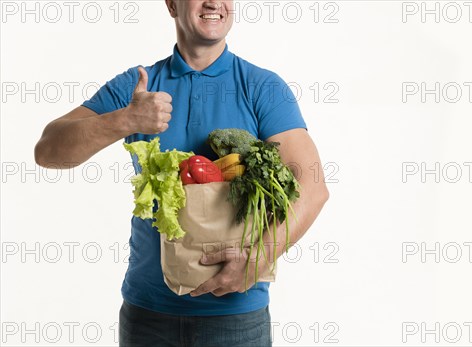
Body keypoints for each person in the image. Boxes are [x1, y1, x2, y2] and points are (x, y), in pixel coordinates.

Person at [34, 0, 329, 345]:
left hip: (235, 315)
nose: (214, 3)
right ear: (172, 5)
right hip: (148, 315)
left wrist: (259, 257)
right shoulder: (140, 85)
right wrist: (124, 120)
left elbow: (313, 185)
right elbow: (49, 151)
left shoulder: (262, 86)